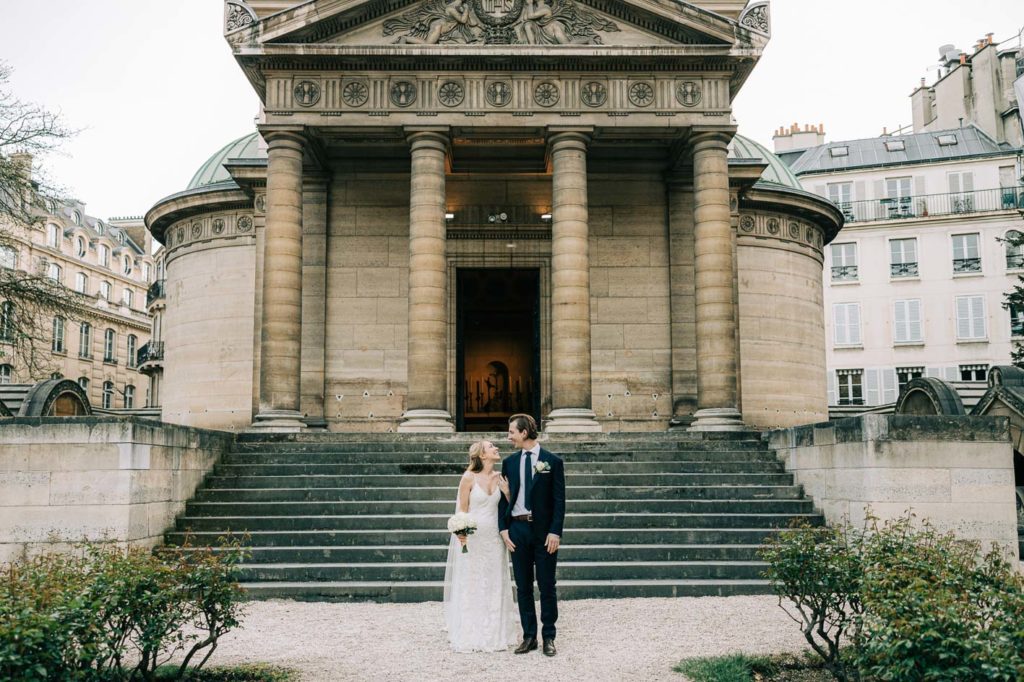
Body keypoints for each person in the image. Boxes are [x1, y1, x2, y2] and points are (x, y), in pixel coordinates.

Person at [498, 413, 566, 657]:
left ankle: (549, 636)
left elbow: (559, 502)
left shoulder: (552, 461)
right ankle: (529, 637)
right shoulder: (509, 463)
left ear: (524, 432)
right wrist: (503, 529)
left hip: (544, 532)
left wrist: (555, 531)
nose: (509, 437)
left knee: (547, 585)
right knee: (524, 586)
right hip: (517, 530)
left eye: (512, 432)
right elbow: (503, 499)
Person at [443, 439, 520, 652]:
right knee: (473, 581)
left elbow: (510, 505)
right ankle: (471, 630)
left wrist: (507, 493)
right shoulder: (468, 477)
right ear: (482, 455)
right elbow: (462, 510)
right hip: (474, 538)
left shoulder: (500, 477)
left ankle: (496, 629)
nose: (496, 448)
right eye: (491, 447)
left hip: (495, 538)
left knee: (495, 580)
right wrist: (461, 530)